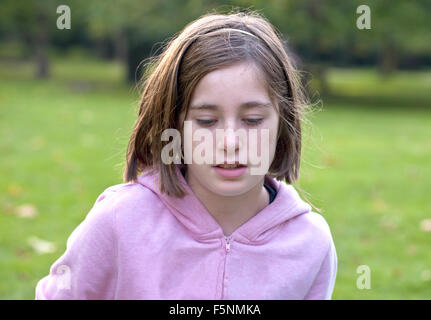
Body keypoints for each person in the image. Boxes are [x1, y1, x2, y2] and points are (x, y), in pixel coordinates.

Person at [35, 10, 337, 300]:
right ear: (173, 124)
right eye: (206, 121)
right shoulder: (118, 222)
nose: (230, 142)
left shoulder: (311, 244)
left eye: (252, 120)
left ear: (282, 124)